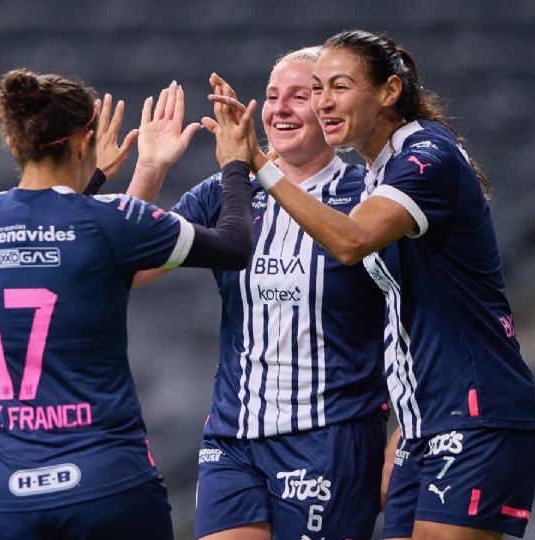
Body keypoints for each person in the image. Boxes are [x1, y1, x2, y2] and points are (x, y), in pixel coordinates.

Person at [208, 29, 535, 540]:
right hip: (425, 420)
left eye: (338, 87)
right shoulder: (376, 171)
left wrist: (258, 162)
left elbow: (351, 241)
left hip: (476, 410)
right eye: (316, 88)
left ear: (389, 92)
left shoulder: (428, 154)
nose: (323, 103)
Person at [0, 69, 254, 540]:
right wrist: (235, 167)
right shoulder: (109, 220)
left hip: (6, 497)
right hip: (107, 483)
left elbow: (68, 249)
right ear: (82, 141)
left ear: (16, 144)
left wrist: (95, 178)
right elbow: (235, 246)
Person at [128, 47, 390, 540]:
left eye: (300, 96)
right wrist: (150, 169)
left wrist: (399, 436)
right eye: (272, 97)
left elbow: (410, 318)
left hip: (330, 436)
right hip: (233, 438)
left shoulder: (367, 194)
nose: (280, 108)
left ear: (328, 109)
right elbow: (130, 266)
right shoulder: (226, 191)